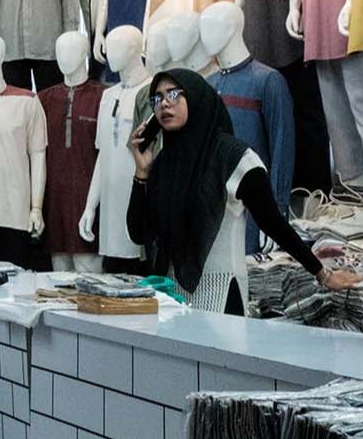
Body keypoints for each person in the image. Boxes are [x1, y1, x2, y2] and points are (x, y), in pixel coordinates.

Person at [127, 68, 361, 314]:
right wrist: (141, 173)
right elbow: (137, 233)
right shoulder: (164, 163)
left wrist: (322, 274)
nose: (164, 104)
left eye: (173, 94)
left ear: (196, 97)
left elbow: (274, 224)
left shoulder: (234, 158)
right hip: (171, 300)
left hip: (219, 296)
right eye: (157, 98)